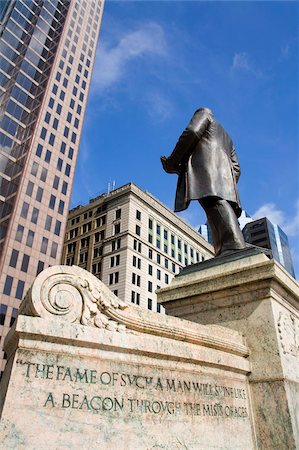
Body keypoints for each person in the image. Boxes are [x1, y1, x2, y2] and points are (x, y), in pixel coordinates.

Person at [161, 107, 246, 257]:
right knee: (214, 206)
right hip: (225, 178)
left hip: (205, 168)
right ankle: (225, 248)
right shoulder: (227, 138)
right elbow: (237, 168)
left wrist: (173, 161)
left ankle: (233, 245)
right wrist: (226, 182)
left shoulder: (204, 112)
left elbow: (193, 132)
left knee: (213, 202)